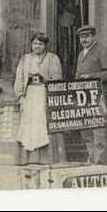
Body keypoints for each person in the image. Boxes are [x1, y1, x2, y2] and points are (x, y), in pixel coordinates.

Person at [14, 32, 64, 163]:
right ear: (31, 45)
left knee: (42, 123)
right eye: (35, 43)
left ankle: (45, 158)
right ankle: (28, 158)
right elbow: (19, 79)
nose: (37, 46)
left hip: (44, 94)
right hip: (29, 94)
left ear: (45, 45)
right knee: (28, 124)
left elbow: (58, 78)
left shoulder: (52, 58)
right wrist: (20, 96)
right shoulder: (24, 59)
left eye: (40, 44)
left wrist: (45, 79)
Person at [74, 25, 107, 164]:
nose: (84, 40)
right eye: (81, 37)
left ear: (93, 37)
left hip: (98, 96)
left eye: (87, 37)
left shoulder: (102, 50)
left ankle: (100, 161)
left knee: (98, 128)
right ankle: (91, 158)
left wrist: (91, 76)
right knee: (86, 128)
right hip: (84, 96)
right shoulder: (81, 54)